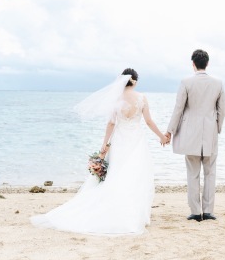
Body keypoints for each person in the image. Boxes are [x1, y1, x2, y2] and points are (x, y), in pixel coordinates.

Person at [31, 68, 169, 235]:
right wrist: (162, 136)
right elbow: (148, 121)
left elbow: (111, 124)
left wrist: (105, 145)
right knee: (135, 175)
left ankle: (119, 210)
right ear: (135, 81)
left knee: (116, 174)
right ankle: (134, 214)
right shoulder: (142, 98)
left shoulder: (116, 99)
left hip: (119, 140)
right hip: (136, 140)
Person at [165, 49, 225, 222]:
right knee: (210, 172)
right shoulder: (218, 83)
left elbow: (178, 108)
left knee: (192, 173)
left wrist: (170, 131)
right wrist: (217, 127)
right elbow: (222, 110)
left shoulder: (186, 82)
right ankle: (208, 211)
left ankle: (195, 211)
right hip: (210, 133)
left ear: (193, 64)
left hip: (190, 133)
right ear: (207, 63)